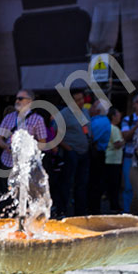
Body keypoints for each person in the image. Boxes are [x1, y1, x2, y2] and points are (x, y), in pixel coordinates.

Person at [57, 86, 91, 216]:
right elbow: (55, 134)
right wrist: (68, 148)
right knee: (67, 182)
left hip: (84, 152)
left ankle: (80, 212)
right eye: (77, 100)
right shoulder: (64, 114)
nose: (80, 102)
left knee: (82, 184)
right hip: (71, 152)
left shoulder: (85, 112)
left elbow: (86, 128)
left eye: (81, 99)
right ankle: (62, 211)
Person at [120, 92, 138, 212]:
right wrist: (137, 125)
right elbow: (125, 136)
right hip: (130, 157)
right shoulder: (128, 119)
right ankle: (128, 214)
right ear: (134, 104)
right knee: (128, 187)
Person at [103, 107, 125, 212]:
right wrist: (124, 141)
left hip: (108, 158)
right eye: (118, 115)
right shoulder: (114, 129)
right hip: (114, 160)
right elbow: (117, 144)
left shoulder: (107, 127)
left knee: (110, 184)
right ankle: (114, 206)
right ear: (113, 116)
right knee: (114, 185)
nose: (119, 117)